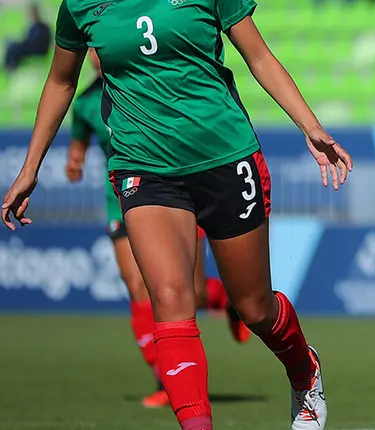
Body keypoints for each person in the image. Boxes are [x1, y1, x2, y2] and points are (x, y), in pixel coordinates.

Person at [1, 0, 352, 430]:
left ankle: (303, 370)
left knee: (254, 307)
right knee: (168, 301)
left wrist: (311, 127)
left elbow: (259, 57)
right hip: (144, 168)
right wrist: (30, 168)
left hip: (225, 157)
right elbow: (61, 82)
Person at [65, 49, 252, 409]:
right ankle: (166, 378)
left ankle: (226, 300)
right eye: (90, 49)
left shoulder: (149, 82)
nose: (97, 56)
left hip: (174, 196)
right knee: (139, 287)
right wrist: (75, 162)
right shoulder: (86, 104)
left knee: (190, 295)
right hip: (121, 200)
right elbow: (78, 148)